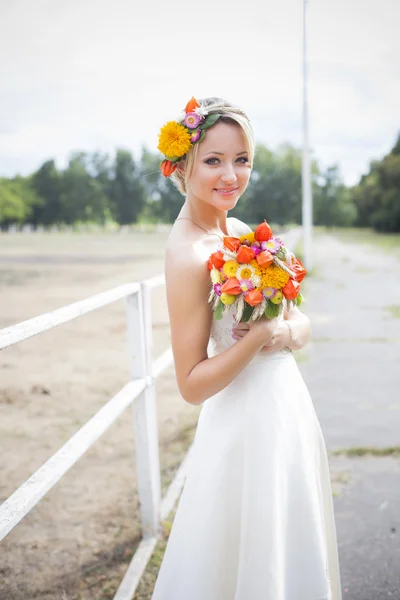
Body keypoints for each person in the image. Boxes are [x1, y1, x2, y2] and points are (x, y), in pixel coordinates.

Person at [151, 96, 342, 599]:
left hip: (287, 412)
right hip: (241, 428)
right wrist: (259, 336)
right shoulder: (188, 254)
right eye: (213, 160)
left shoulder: (239, 232)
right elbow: (191, 385)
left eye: (242, 160)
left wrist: (281, 333)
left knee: (287, 546)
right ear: (182, 165)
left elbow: (299, 323)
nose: (230, 175)